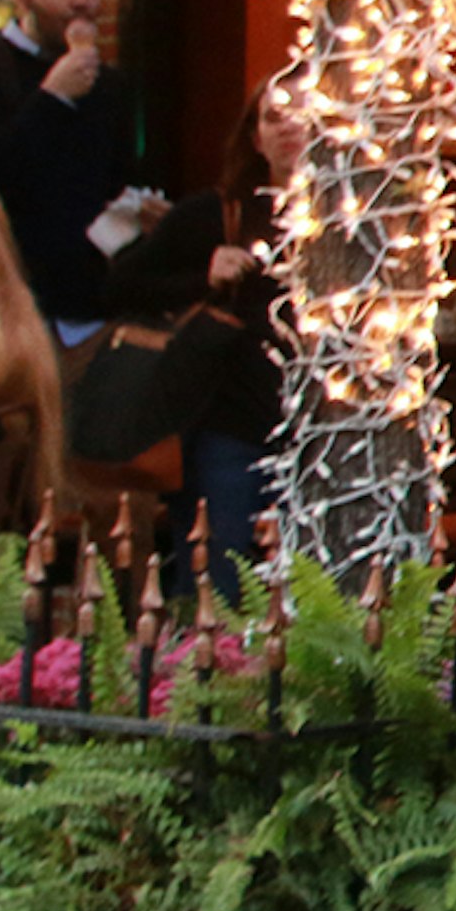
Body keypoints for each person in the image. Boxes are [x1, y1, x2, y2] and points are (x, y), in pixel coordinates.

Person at [101, 79, 300, 577]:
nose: (291, 126)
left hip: (321, 435)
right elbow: (119, 288)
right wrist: (202, 277)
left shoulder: (355, 221)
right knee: (221, 581)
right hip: (229, 431)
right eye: (274, 117)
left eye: (306, 111)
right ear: (255, 139)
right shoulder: (215, 215)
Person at [0, 0, 158, 340]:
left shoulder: (110, 85)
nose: (80, 1)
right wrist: (51, 99)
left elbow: (114, 186)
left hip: (91, 311)